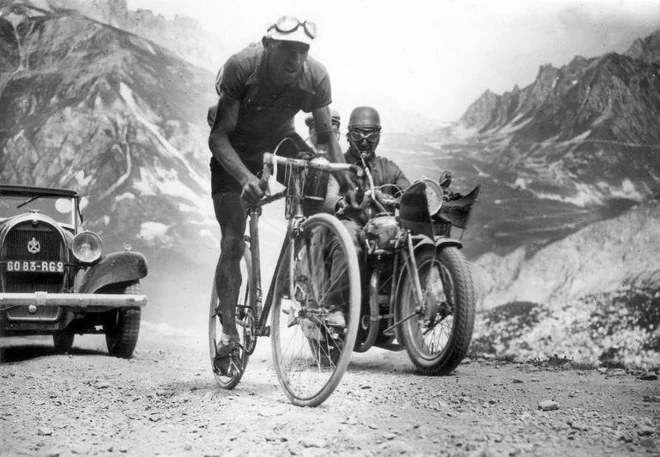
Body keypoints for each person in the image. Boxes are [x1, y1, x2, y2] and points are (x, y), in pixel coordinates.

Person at [208, 16, 354, 376]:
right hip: (236, 149)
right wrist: (244, 178)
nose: (297, 59)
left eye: (303, 50)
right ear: (269, 44)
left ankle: (312, 289)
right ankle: (228, 334)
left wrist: (351, 187)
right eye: (290, 49)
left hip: (280, 141)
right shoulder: (242, 66)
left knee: (318, 182)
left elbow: (327, 137)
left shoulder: (315, 76)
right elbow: (218, 137)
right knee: (231, 242)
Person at [322, 106, 411, 326]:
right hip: (350, 223)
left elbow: (408, 192)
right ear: (349, 135)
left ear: (378, 136)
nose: (365, 140)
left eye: (371, 134)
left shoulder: (388, 168)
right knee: (350, 242)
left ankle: (404, 303)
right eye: (358, 134)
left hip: (381, 230)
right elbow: (329, 198)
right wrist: (344, 202)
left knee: (409, 241)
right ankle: (335, 307)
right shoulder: (339, 165)